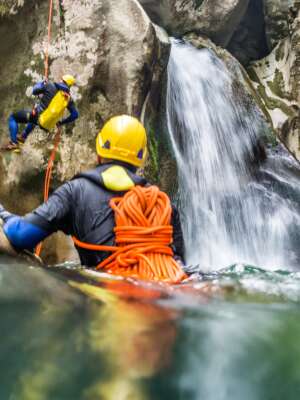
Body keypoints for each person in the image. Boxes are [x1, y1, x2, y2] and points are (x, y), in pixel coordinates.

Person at [0, 115, 185, 269]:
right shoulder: (162, 204)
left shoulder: (75, 192)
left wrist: (4, 215)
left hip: (105, 296)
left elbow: (20, 235)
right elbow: (179, 265)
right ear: (140, 159)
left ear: (99, 150)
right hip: (161, 296)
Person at [2, 74, 79, 151]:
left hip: (37, 116)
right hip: (46, 124)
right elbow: (75, 115)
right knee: (34, 119)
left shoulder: (50, 85)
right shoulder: (68, 99)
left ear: (63, 80)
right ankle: (23, 138)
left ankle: (14, 143)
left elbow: (34, 91)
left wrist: (42, 83)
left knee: (13, 118)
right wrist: (61, 123)